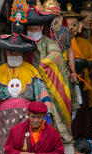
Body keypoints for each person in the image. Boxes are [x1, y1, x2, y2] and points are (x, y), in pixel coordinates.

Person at [0, 17, 53, 154]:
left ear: (23, 53)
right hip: (4, 123)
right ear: (5, 52)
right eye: (10, 51)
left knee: (27, 152)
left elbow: (42, 97)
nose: (14, 54)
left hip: (27, 120)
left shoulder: (32, 72)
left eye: (17, 51)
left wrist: (46, 118)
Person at [24, 0, 73, 143]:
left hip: (45, 83)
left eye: (36, 29)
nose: (33, 32)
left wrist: (41, 66)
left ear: (41, 27)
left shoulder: (47, 42)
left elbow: (56, 54)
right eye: (30, 30)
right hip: (26, 83)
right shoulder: (23, 42)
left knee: (50, 109)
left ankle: (52, 136)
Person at [62, 4, 92, 139]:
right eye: (67, 25)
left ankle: (81, 136)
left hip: (81, 81)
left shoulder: (84, 42)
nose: (71, 28)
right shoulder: (58, 43)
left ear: (79, 27)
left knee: (80, 111)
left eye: (74, 25)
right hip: (63, 81)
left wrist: (85, 65)